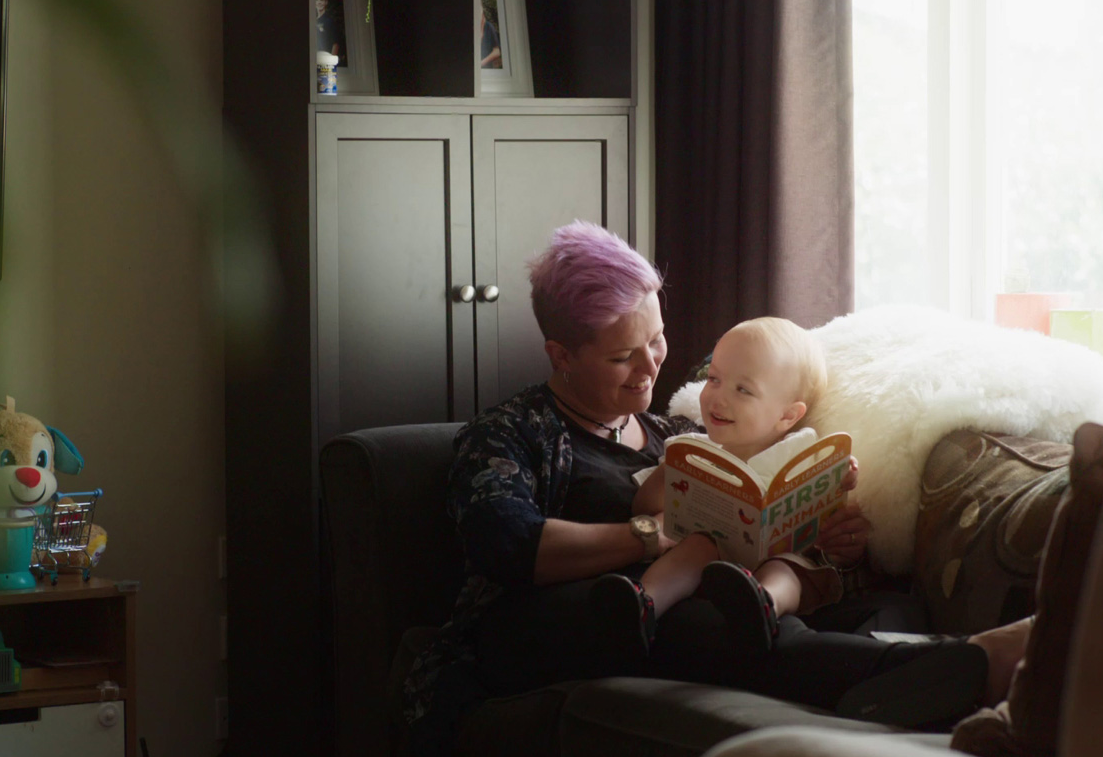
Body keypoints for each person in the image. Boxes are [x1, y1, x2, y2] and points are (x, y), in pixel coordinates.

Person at [402, 220, 1032, 757]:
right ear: (561, 355)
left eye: (657, 341)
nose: (652, 368)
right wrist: (653, 537)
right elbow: (507, 545)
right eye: (624, 357)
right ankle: (981, 667)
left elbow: (749, 530)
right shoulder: (510, 434)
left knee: (834, 611)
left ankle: (946, 678)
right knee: (712, 627)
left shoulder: (675, 432)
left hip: (682, 609)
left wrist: (824, 536)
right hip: (548, 626)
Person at [600, 317, 859, 654]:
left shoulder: (803, 450)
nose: (717, 398)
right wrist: (672, 471)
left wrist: (843, 477)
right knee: (697, 545)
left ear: (787, 416)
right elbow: (643, 507)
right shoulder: (694, 448)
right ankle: (643, 605)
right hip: (713, 567)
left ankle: (762, 606)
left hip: (782, 563)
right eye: (714, 379)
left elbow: (836, 510)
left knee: (787, 568)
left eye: (743, 389)